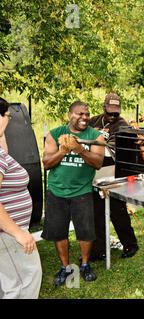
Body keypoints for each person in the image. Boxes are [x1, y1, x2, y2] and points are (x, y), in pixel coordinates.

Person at [42, 101, 105, 286]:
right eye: (80, 114)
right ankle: (65, 267)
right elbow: (46, 163)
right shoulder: (55, 134)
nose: (84, 117)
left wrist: (79, 149)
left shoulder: (95, 136)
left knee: (85, 232)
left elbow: (98, 162)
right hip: (56, 191)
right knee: (59, 232)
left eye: (87, 114)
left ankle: (85, 265)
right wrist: (63, 151)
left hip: (82, 191)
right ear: (70, 114)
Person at [0, 97, 42, 298]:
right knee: (26, 282)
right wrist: (18, 232)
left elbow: (4, 151)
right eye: (7, 116)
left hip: (7, 235)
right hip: (8, 234)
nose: (8, 121)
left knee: (10, 285)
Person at [89, 93, 139, 260]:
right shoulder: (94, 121)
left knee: (118, 211)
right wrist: (93, 134)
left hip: (114, 172)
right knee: (96, 213)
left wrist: (98, 139)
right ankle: (99, 249)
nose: (112, 116)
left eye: (116, 113)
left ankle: (130, 244)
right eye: (110, 112)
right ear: (104, 108)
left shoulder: (123, 125)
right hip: (95, 172)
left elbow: (122, 148)